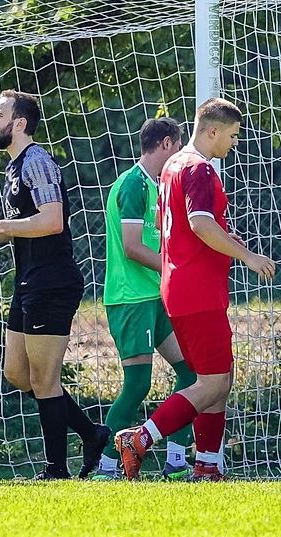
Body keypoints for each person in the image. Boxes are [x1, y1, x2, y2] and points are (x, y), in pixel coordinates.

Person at [0, 90, 110, 480]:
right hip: (30, 281)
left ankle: (55, 470)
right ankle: (90, 433)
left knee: (44, 380)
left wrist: (0, 226)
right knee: (16, 373)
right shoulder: (13, 167)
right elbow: (23, 228)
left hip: (54, 283)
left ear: (18, 124)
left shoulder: (37, 162)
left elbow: (52, 221)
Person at [116, 97, 276, 481]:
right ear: (212, 130)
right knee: (214, 381)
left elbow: (181, 226)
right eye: (232, 136)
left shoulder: (171, 166)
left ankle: (206, 467)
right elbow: (201, 223)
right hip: (196, 289)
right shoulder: (199, 168)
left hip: (181, 286)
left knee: (217, 378)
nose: (233, 143)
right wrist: (247, 256)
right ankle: (140, 439)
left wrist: (224, 237)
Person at [93, 117, 197, 481]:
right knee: (138, 384)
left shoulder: (159, 185)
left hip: (156, 297)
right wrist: (175, 269)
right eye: (179, 146)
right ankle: (106, 465)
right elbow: (134, 248)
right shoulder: (133, 185)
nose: (181, 154)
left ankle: (177, 461)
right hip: (131, 299)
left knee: (192, 373)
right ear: (166, 144)